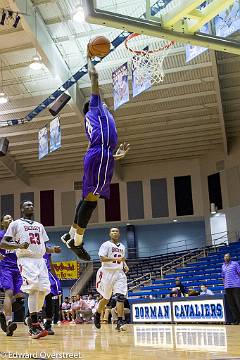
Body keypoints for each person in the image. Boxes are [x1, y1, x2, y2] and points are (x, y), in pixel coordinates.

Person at [61, 50, 130, 261]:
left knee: (88, 197)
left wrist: (115, 155)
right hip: (99, 154)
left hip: (101, 155)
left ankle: (70, 234)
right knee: (91, 200)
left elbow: (103, 144)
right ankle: (77, 242)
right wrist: (89, 61)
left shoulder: (101, 118)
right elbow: (94, 78)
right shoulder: (96, 109)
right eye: (103, 103)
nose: (106, 104)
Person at [0, 200, 52, 339]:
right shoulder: (16, 223)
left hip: (40, 260)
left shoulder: (39, 225)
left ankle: (30, 317)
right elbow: (3, 243)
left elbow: (43, 245)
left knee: (44, 291)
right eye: (27, 205)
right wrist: (18, 246)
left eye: (31, 205)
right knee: (33, 289)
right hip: (26, 260)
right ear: (22, 209)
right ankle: (34, 325)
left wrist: (52, 250)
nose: (30, 206)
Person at [93, 227, 129, 331]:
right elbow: (102, 258)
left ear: (119, 234)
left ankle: (120, 321)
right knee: (106, 298)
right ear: (110, 234)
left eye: (117, 231)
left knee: (120, 297)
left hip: (118, 273)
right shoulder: (106, 245)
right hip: (107, 273)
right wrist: (116, 259)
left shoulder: (122, 246)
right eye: (113, 231)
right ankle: (98, 313)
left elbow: (121, 258)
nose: (115, 232)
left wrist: (124, 264)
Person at [0, 214, 22, 336]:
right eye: (7, 218)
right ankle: (9, 322)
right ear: (2, 223)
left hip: (18, 268)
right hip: (6, 267)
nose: (10, 219)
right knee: (8, 293)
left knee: (20, 298)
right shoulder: (1, 235)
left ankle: (3, 313)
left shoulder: (16, 235)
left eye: (11, 218)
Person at [43, 249, 62, 334]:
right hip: (35, 273)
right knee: (36, 298)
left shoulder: (47, 250)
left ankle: (48, 325)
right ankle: (29, 318)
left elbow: (50, 264)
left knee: (49, 298)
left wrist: (56, 277)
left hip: (47, 275)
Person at [222, 253, 240, 324]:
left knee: (238, 303)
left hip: (236, 286)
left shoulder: (235, 264)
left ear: (230, 257)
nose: (226, 257)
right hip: (227, 287)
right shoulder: (223, 266)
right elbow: (223, 276)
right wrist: (224, 285)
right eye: (225, 256)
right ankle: (237, 320)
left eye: (227, 256)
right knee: (232, 305)